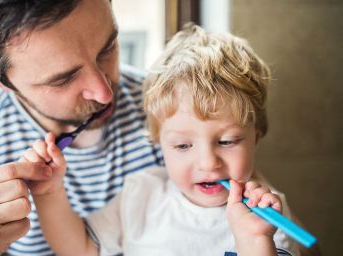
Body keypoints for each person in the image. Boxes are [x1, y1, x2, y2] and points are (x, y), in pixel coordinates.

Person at [20, 23, 300, 255]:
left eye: (227, 141)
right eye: (182, 145)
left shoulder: (266, 212)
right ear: (159, 143)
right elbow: (79, 250)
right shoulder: (140, 194)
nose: (207, 163)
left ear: (257, 137)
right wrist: (48, 193)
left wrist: (254, 241)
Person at [0, 0, 163, 255]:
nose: (104, 93)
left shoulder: (170, 109)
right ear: (1, 80)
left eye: (107, 48)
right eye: (63, 79)